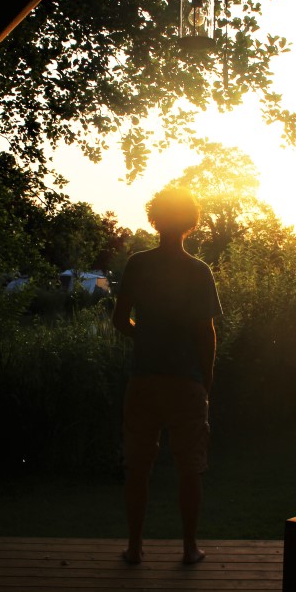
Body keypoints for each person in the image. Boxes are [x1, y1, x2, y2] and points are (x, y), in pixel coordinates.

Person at [112, 187, 222, 565]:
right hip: (185, 381)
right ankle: (190, 548)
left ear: (155, 218)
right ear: (190, 223)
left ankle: (135, 547)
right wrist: (204, 380)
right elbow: (205, 333)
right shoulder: (197, 270)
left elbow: (118, 319)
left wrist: (143, 335)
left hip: (143, 379)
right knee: (189, 467)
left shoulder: (138, 264)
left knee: (137, 467)